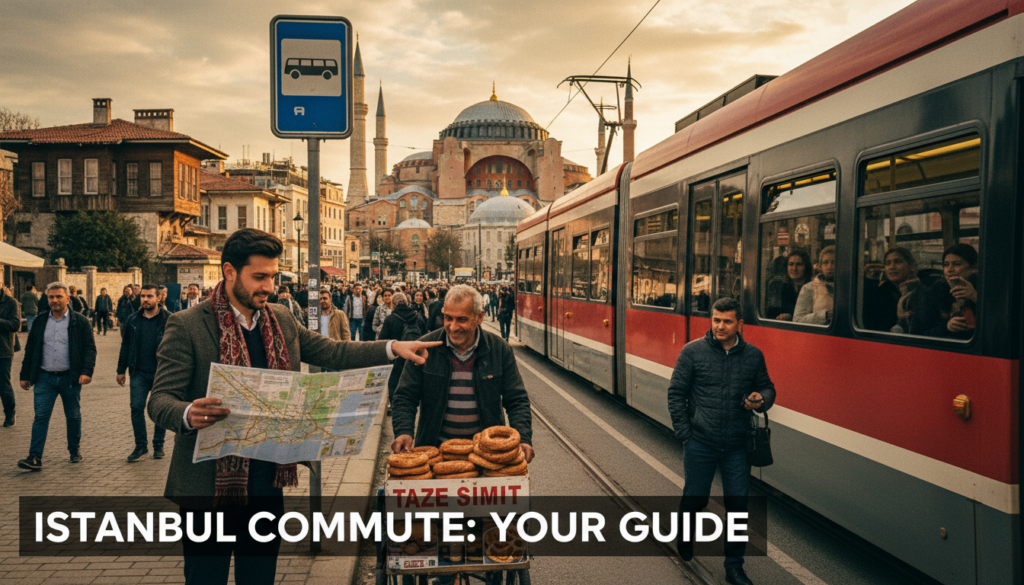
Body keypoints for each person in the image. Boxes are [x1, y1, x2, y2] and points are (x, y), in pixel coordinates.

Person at [146, 229, 440, 585]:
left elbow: (333, 351)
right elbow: (159, 400)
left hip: (265, 483)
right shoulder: (188, 325)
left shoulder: (281, 319)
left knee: (259, 577)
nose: (269, 286)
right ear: (229, 272)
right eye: (259, 277)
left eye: (273, 276)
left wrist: (393, 348)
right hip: (207, 490)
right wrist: (187, 413)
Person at [667, 297, 775, 585]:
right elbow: (676, 393)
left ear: (740, 324)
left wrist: (761, 398)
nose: (720, 326)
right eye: (716, 320)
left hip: (737, 446)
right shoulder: (692, 352)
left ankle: (734, 568)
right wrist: (685, 435)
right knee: (695, 499)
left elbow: (767, 387)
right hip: (700, 442)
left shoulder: (753, 355)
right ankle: (686, 535)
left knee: (738, 507)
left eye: (727, 321)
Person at [391, 284, 534, 461]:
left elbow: (517, 400)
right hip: (435, 453)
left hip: (488, 454)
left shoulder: (499, 349)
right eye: (448, 318)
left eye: (462, 319)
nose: (453, 327)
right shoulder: (425, 348)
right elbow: (405, 397)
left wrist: (524, 438)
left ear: (480, 317)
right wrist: (404, 431)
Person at [17, 282, 96, 471]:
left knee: (73, 415)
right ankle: (34, 457)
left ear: (68, 298)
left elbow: (89, 350)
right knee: (41, 417)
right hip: (44, 377)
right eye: (51, 297)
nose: (54, 300)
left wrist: (86, 372)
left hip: (71, 378)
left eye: (59, 296)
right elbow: (30, 350)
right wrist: (25, 375)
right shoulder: (40, 320)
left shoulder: (80, 321)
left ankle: (74, 449)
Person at [116, 284, 170, 462]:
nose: (145, 299)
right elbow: (125, 345)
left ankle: (158, 444)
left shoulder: (169, 319)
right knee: (136, 408)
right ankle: (140, 446)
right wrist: (120, 370)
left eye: (149, 296)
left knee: (159, 408)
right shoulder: (133, 319)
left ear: (159, 298)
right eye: (143, 296)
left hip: (161, 372)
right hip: (138, 372)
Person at [911, 243, 978, 338]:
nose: (949, 270)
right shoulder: (932, 293)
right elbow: (918, 334)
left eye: (956, 264)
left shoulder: (984, 290)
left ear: (974, 267)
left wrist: (976, 298)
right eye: (946, 265)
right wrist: (946, 328)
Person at [377, 292, 428, 404]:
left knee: (395, 387)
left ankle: (396, 405)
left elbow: (381, 342)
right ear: (407, 303)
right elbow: (425, 337)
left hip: (397, 361)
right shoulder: (418, 316)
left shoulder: (390, 319)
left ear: (393, 305)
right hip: (415, 358)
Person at [863, 247, 923, 333]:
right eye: (888, 263)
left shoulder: (922, 292)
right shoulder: (877, 294)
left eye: (898, 262)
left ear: (910, 266)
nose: (892, 267)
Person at [793, 245, 836, 325]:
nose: (829, 266)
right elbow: (797, 320)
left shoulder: (851, 286)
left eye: (833, 262)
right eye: (825, 263)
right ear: (820, 266)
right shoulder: (809, 288)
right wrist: (825, 315)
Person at [765, 250, 811, 321]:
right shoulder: (779, 287)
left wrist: (790, 316)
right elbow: (770, 314)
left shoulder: (812, 288)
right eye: (791, 264)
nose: (794, 268)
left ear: (806, 267)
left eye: (799, 264)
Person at [0, 286, 21, 427]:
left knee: (3, 384)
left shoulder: (11, 302)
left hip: (3, 350)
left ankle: (9, 413)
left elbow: (15, 324)